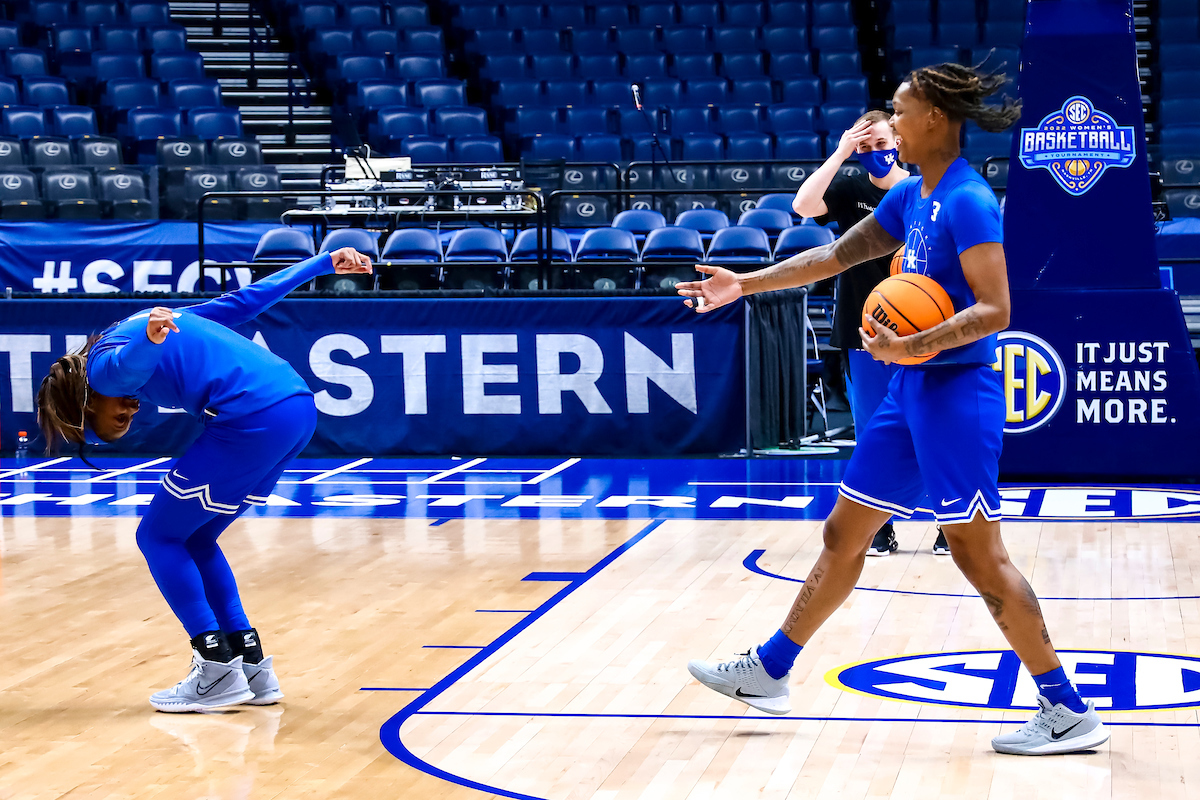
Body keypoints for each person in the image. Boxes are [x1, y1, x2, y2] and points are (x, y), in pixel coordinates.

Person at [677, 63, 1108, 756]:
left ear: (935, 119)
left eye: (900, 115)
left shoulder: (969, 201)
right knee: (843, 534)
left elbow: (998, 309)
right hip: (909, 395)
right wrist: (745, 285)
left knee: (979, 555)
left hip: (955, 397)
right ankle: (771, 668)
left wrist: (918, 344)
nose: (890, 128)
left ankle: (1067, 709)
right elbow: (836, 257)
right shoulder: (913, 195)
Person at [36, 247, 372, 713]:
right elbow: (245, 302)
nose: (128, 412)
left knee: (155, 536)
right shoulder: (148, 324)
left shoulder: (103, 367)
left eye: (98, 424)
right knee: (195, 539)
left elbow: (127, 368)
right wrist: (319, 264)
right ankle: (251, 666)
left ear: (84, 403)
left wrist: (149, 342)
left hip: (253, 415)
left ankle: (214, 670)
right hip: (297, 408)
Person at [790, 109, 948, 558]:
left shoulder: (924, 192)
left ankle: (946, 523)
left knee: (931, 427)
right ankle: (881, 526)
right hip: (863, 328)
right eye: (865, 147)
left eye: (881, 144)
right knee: (874, 433)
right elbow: (803, 205)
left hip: (922, 327)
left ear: (899, 141)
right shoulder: (850, 189)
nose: (874, 153)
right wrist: (841, 152)